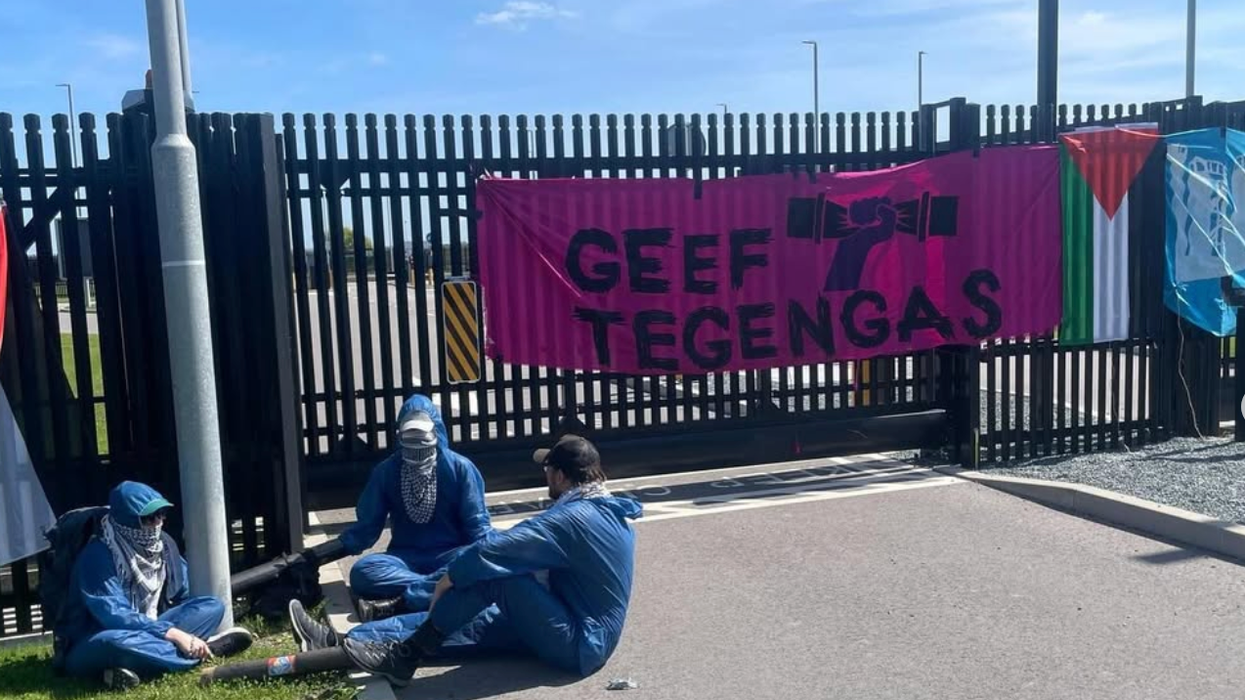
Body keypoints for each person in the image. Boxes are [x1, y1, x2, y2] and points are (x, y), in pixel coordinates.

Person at [287, 434, 643, 688]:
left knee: (495, 576)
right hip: (562, 619)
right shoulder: (604, 509)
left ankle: (406, 656)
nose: (544, 475)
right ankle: (339, 643)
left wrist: (449, 579)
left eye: (547, 469)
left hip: (580, 643)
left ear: (561, 476)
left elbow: (496, 553)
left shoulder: (573, 519)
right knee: (464, 623)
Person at [57, 481, 253, 690]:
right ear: (127, 521)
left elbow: (183, 591)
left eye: (161, 514)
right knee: (117, 643)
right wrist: (174, 634)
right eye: (149, 518)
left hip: (150, 627)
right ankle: (203, 651)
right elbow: (114, 615)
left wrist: (175, 628)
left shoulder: (163, 545)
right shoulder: (97, 555)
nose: (158, 522)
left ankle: (139, 663)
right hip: (96, 637)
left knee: (212, 606)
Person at [340, 394, 492, 622]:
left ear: (436, 432)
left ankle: (413, 597)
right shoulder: (386, 471)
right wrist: (321, 554)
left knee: (476, 560)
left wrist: (493, 552)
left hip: (451, 554)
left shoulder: (460, 468)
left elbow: (477, 526)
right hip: (405, 558)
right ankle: (439, 590)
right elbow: (366, 528)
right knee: (363, 572)